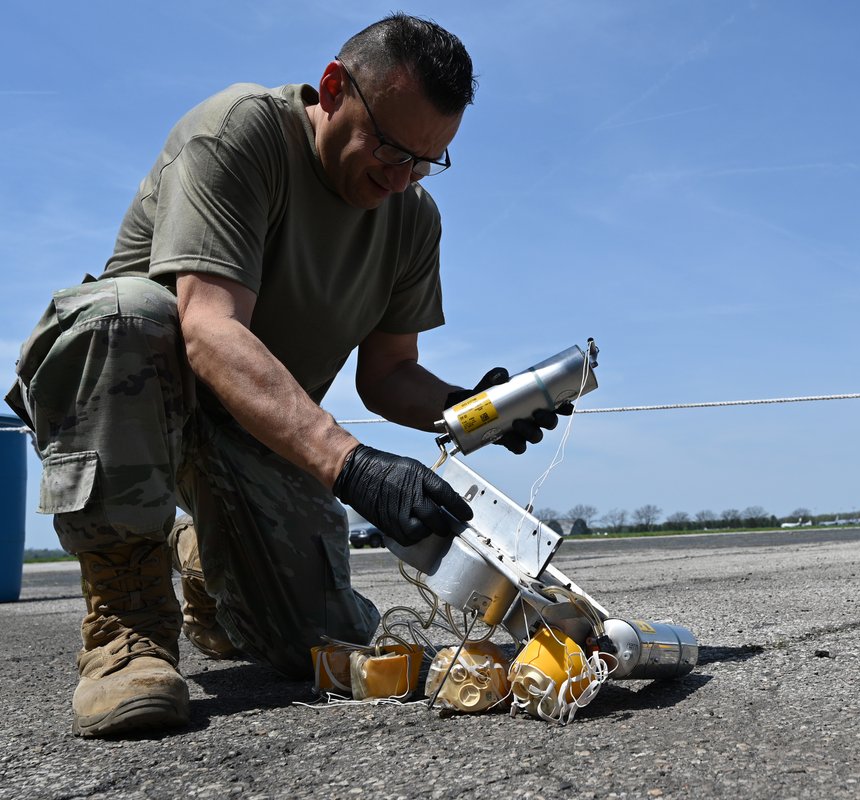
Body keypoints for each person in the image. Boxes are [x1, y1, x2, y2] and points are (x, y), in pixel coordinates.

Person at [5, 13, 564, 738]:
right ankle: (127, 631)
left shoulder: (411, 218)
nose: (401, 180)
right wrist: (353, 466)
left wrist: (470, 407)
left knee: (320, 645)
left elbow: (389, 374)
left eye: (427, 161)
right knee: (128, 313)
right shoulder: (238, 133)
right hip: (133, 411)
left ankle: (205, 556)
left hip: (260, 430)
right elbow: (207, 329)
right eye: (391, 148)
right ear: (334, 88)